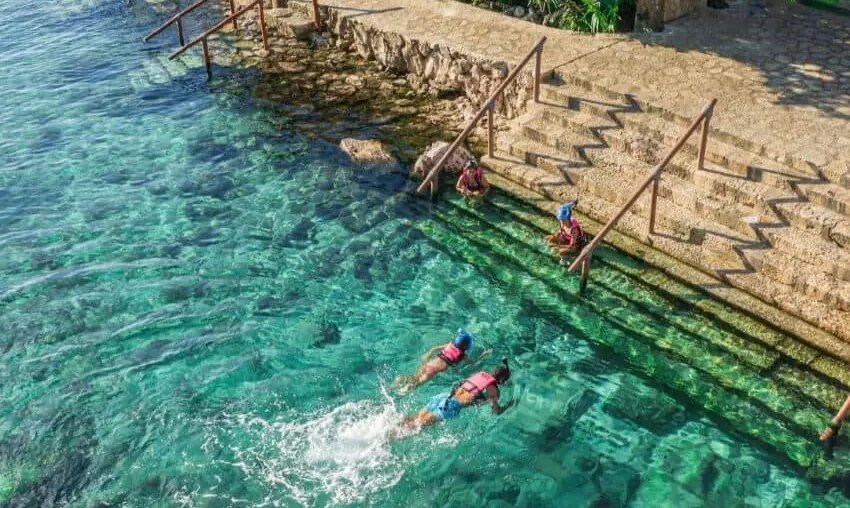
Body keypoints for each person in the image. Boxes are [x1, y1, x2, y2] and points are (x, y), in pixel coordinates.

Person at [400, 358, 514, 430]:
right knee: (417, 426)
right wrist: (509, 405)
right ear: (502, 380)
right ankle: (391, 435)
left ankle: (396, 422)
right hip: (451, 406)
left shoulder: (480, 374)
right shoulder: (494, 391)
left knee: (415, 417)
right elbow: (496, 412)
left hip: (444, 396)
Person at [394, 329, 490, 394]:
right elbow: (473, 363)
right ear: (466, 347)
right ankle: (402, 391)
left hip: (429, 363)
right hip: (433, 371)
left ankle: (400, 380)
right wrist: (484, 355)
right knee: (417, 384)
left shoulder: (449, 345)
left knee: (414, 377)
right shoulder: (463, 355)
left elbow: (434, 348)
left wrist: (427, 355)